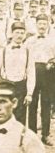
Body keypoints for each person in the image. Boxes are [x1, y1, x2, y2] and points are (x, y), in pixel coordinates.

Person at [0, 21, 34, 125]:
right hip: (6, 86)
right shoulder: (3, 51)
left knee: (20, 119)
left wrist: (29, 93)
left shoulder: (28, 51)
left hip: (21, 87)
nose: (19, 35)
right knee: (4, 117)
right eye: (17, 32)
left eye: (22, 33)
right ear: (12, 34)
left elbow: (31, 73)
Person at [25, 14, 55, 144]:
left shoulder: (53, 40)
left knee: (46, 103)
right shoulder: (29, 41)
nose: (42, 26)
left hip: (48, 73)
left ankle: (46, 134)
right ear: (36, 25)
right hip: (33, 72)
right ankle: (32, 133)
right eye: (40, 23)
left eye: (44, 23)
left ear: (48, 24)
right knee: (32, 103)